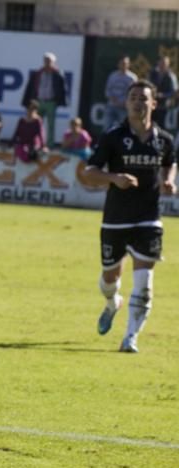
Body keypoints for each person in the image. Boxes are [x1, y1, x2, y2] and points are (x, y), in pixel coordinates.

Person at [83, 80, 176, 353]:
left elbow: (170, 162)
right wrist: (115, 178)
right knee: (109, 277)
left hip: (149, 218)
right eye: (133, 97)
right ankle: (113, 303)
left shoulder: (164, 140)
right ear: (126, 103)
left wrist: (168, 180)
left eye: (143, 98)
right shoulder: (113, 136)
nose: (138, 102)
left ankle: (130, 337)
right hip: (116, 218)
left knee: (144, 281)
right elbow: (89, 172)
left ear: (154, 104)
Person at [21, 52, 67, 147]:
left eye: (49, 61)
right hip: (38, 102)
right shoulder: (38, 73)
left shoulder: (57, 74)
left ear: (54, 62)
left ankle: (50, 145)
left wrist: (61, 101)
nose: (47, 63)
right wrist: (27, 101)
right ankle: (36, 143)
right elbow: (30, 88)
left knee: (51, 125)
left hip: (51, 102)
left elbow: (63, 89)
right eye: (46, 61)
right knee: (36, 124)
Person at [103, 56, 137, 133]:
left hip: (124, 108)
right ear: (118, 64)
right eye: (121, 63)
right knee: (107, 128)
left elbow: (134, 94)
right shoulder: (113, 76)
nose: (123, 65)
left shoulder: (132, 78)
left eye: (125, 63)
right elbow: (107, 90)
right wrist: (113, 100)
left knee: (123, 129)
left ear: (128, 65)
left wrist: (124, 102)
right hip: (111, 106)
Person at [149, 56, 177, 129]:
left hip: (164, 106)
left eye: (164, 63)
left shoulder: (171, 76)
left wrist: (163, 95)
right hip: (152, 105)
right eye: (161, 63)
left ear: (168, 64)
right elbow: (148, 86)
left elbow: (174, 91)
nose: (162, 65)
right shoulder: (153, 73)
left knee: (162, 127)